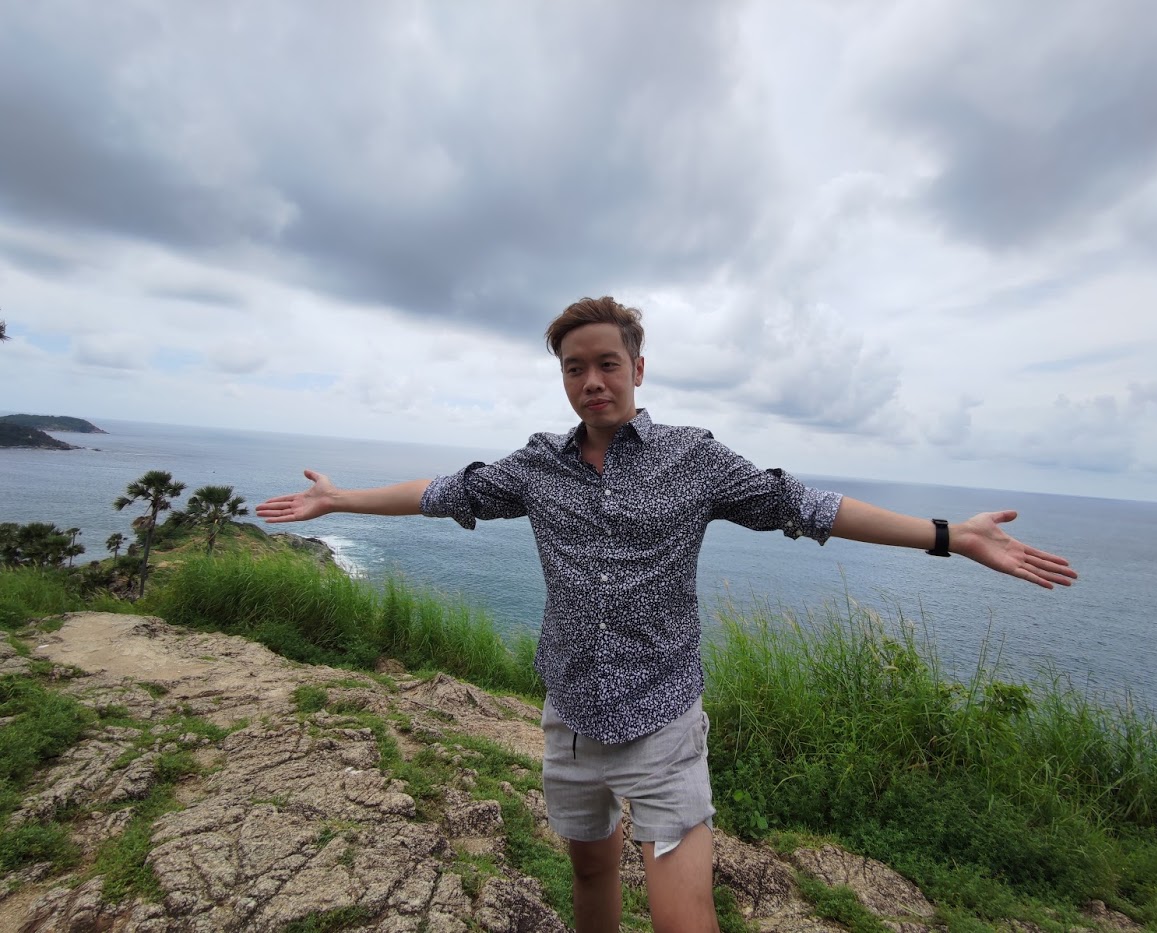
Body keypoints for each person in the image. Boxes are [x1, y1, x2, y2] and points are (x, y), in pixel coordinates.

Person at [257, 296, 1077, 933]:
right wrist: (341, 499)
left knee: (684, 918)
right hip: (571, 718)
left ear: (638, 368)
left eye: (607, 363)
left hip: (662, 724)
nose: (592, 381)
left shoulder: (695, 458)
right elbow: (445, 493)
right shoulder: (538, 465)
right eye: (575, 368)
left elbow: (805, 505)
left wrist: (948, 536)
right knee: (589, 873)